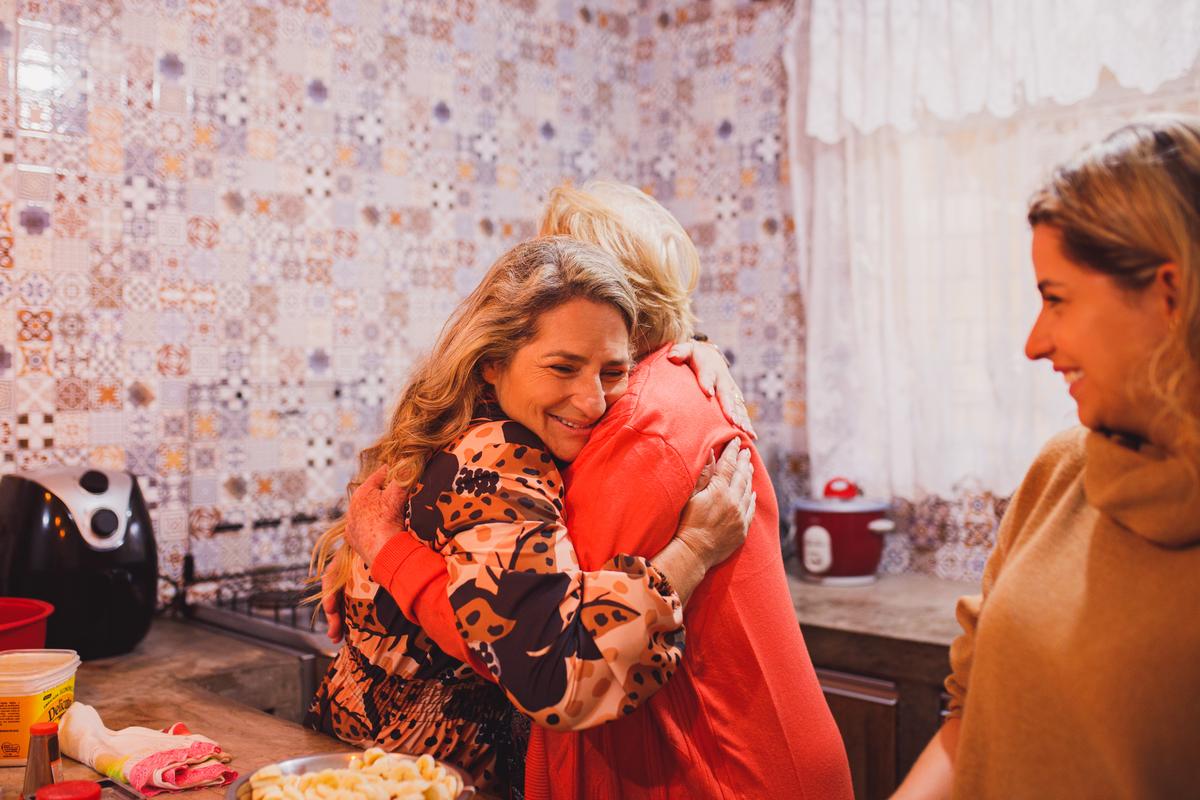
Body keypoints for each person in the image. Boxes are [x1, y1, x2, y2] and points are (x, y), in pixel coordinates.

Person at [349, 182, 855, 800]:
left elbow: (547, 652)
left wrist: (386, 554)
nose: (590, 395)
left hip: (731, 772)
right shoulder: (565, 423)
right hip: (411, 760)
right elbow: (533, 637)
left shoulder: (640, 421)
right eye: (564, 364)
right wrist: (377, 554)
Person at [306, 235, 756, 798]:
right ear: (493, 362)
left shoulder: (471, 421)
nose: (592, 401)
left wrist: (696, 347)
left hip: (364, 755)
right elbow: (562, 678)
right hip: (413, 780)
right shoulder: (499, 455)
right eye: (562, 367)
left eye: (613, 372)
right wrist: (693, 549)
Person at [891, 116, 1200, 800]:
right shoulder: (1063, 470)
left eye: (1057, 299)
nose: (1034, 343)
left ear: (1170, 296)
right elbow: (971, 716)